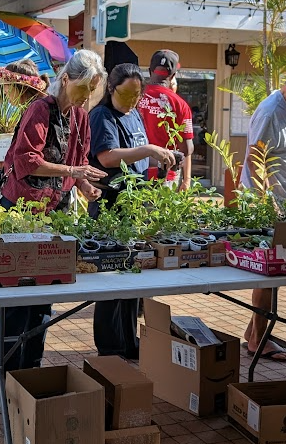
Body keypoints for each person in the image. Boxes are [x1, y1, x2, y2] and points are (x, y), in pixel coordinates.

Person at [0, 51, 107, 383]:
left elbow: (78, 161)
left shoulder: (81, 117)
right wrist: (74, 170)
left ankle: (31, 371)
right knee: (17, 297)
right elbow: (27, 160)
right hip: (24, 213)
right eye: (84, 89)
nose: (86, 97)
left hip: (56, 212)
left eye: (92, 92)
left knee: (44, 298)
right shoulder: (40, 108)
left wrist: (84, 185)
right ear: (66, 80)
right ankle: (4, 375)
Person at [88, 63, 175, 359]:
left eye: (137, 95)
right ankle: (110, 348)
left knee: (132, 278)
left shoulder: (134, 113)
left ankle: (129, 342)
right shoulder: (101, 116)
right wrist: (151, 149)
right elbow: (108, 157)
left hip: (134, 205)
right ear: (110, 89)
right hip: (110, 205)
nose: (132, 101)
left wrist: (155, 163)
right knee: (112, 280)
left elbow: (133, 158)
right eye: (126, 95)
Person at [241, 65, 286, 363]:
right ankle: (259, 342)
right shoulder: (271, 112)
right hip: (270, 208)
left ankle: (253, 332)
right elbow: (256, 161)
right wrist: (270, 204)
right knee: (269, 275)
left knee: (274, 274)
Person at [136, 50, 194, 190]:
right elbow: (186, 149)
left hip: (134, 171)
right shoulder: (180, 105)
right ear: (173, 75)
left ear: (150, 71)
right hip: (165, 176)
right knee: (161, 212)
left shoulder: (135, 96)